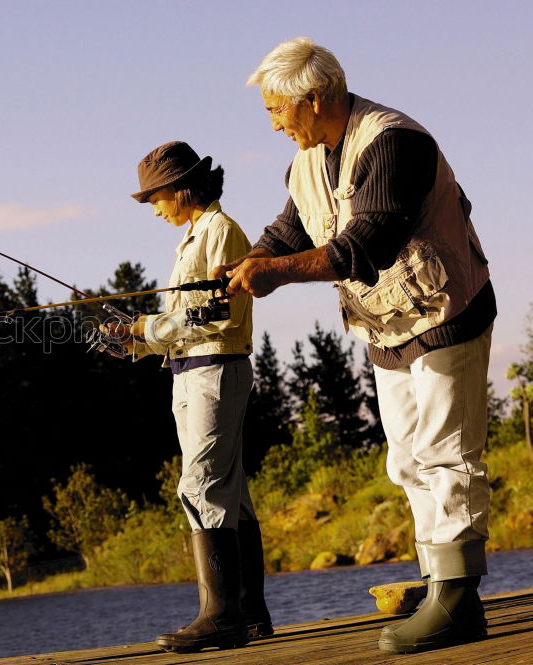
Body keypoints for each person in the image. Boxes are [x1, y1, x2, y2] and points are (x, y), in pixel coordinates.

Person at [216, 37, 495, 654]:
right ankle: (437, 577)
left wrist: (278, 274)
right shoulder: (311, 157)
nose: (272, 123)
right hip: (387, 328)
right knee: (406, 460)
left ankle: (459, 599)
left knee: (446, 452)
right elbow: (293, 226)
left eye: (274, 110)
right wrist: (249, 263)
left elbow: (365, 244)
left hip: (448, 311)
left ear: (313, 100)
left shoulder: (395, 143)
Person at [105, 140, 272, 652]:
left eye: (155, 197)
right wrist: (135, 342)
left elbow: (218, 312)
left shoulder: (220, 232)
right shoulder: (194, 236)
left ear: (181, 189)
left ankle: (221, 617)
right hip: (190, 372)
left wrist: (144, 327)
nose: (154, 208)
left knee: (200, 486)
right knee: (229, 490)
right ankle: (248, 612)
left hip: (214, 370)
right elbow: (187, 321)